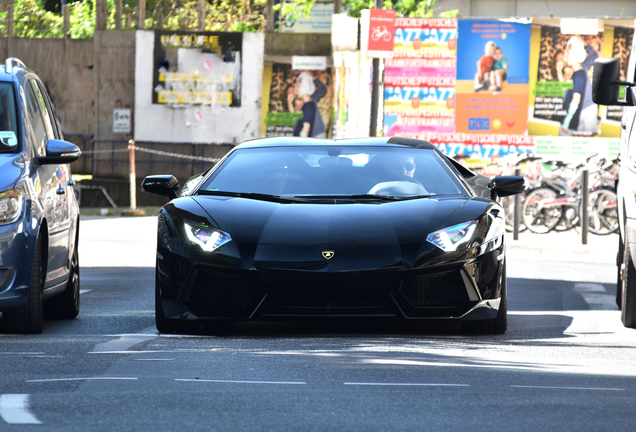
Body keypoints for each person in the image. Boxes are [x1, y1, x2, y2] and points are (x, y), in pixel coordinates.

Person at [560, 37, 598, 136]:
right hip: (578, 109)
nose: (565, 57)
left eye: (567, 53)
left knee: (587, 136)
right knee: (580, 136)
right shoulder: (569, 74)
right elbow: (566, 98)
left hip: (588, 106)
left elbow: (594, 55)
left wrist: (585, 44)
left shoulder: (583, 65)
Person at [289, 71, 327, 138]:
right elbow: (295, 124)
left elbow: (323, 90)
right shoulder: (299, 105)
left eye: (297, 87)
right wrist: (289, 103)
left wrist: (313, 78)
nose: (295, 90)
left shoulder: (311, 99)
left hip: (317, 135)